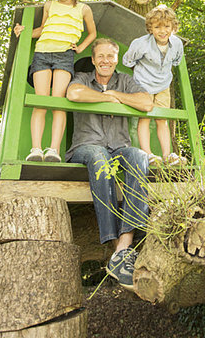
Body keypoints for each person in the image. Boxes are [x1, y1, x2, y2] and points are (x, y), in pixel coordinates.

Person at [65, 38, 153, 290]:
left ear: (116, 59)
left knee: (139, 156)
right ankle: (117, 248)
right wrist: (105, 98)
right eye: (100, 56)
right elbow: (73, 93)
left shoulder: (124, 81)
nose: (105, 61)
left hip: (120, 148)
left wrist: (114, 94)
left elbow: (146, 103)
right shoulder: (82, 78)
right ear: (93, 60)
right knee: (99, 158)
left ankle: (123, 248)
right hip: (87, 147)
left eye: (110, 57)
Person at [14, 0, 96, 163]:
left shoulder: (83, 9)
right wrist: (24, 31)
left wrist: (81, 47)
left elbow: (92, 33)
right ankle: (36, 149)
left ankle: (53, 150)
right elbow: (42, 29)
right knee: (41, 101)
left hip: (64, 56)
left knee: (58, 102)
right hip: (42, 53)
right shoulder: (49, 5)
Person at [122, 5, 186, 166]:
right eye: (157, 27)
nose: (162, 31)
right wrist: (140, 70)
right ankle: (148, 154)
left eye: (166, 26)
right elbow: (127, 60)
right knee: (144, 117)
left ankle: (167, 155)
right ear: (150, 28)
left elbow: (177, 61)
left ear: (173, 27)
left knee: (162, 119)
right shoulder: (141, 44)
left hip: (163, 84)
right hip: (143, 83)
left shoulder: (177, 44)